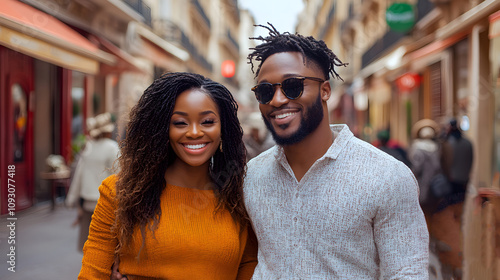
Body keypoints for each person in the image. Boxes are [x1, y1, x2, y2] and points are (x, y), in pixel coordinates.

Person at [243, 23, 429, 278]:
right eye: (265, 91)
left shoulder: (388, 176)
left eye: (293, 86)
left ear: (325, 90)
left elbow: (407, 272)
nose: (277, 100)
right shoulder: (251, 175)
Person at [79, 72, 257, 279]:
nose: (194, 132)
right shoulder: (118, 193)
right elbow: (91, 273)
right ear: (161, 129)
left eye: (207, 121)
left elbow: (250, 264)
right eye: (180, 123)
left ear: (223, 128)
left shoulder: (239, 197)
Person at [66, 112, 120, 252]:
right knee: (106, 244)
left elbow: (79, 174)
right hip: (106, 202)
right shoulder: (112, 147)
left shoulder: (88, 147)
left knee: (88, 243)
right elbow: (119, 175)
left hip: (87, 203)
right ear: (108, 130)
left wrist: (71, 198)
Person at [408, 119, 442, 214]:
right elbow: (437, 166)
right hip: (434, 182)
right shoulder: (436, 148)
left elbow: (416, 167)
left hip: (421, 183)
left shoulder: (417, 148)